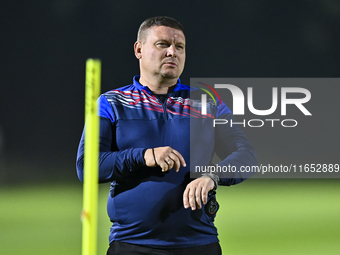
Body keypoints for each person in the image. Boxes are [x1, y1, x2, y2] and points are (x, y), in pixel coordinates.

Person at [76, 16, 258, 255]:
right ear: (139, 49)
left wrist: (212, 175)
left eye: (179, 47)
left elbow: (247, 156)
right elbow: (87, 167)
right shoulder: (111, 102)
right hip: (132, 246)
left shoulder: (207, 101)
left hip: (199, 244)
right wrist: (144, 156)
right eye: (163, 44)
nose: (173, 52)